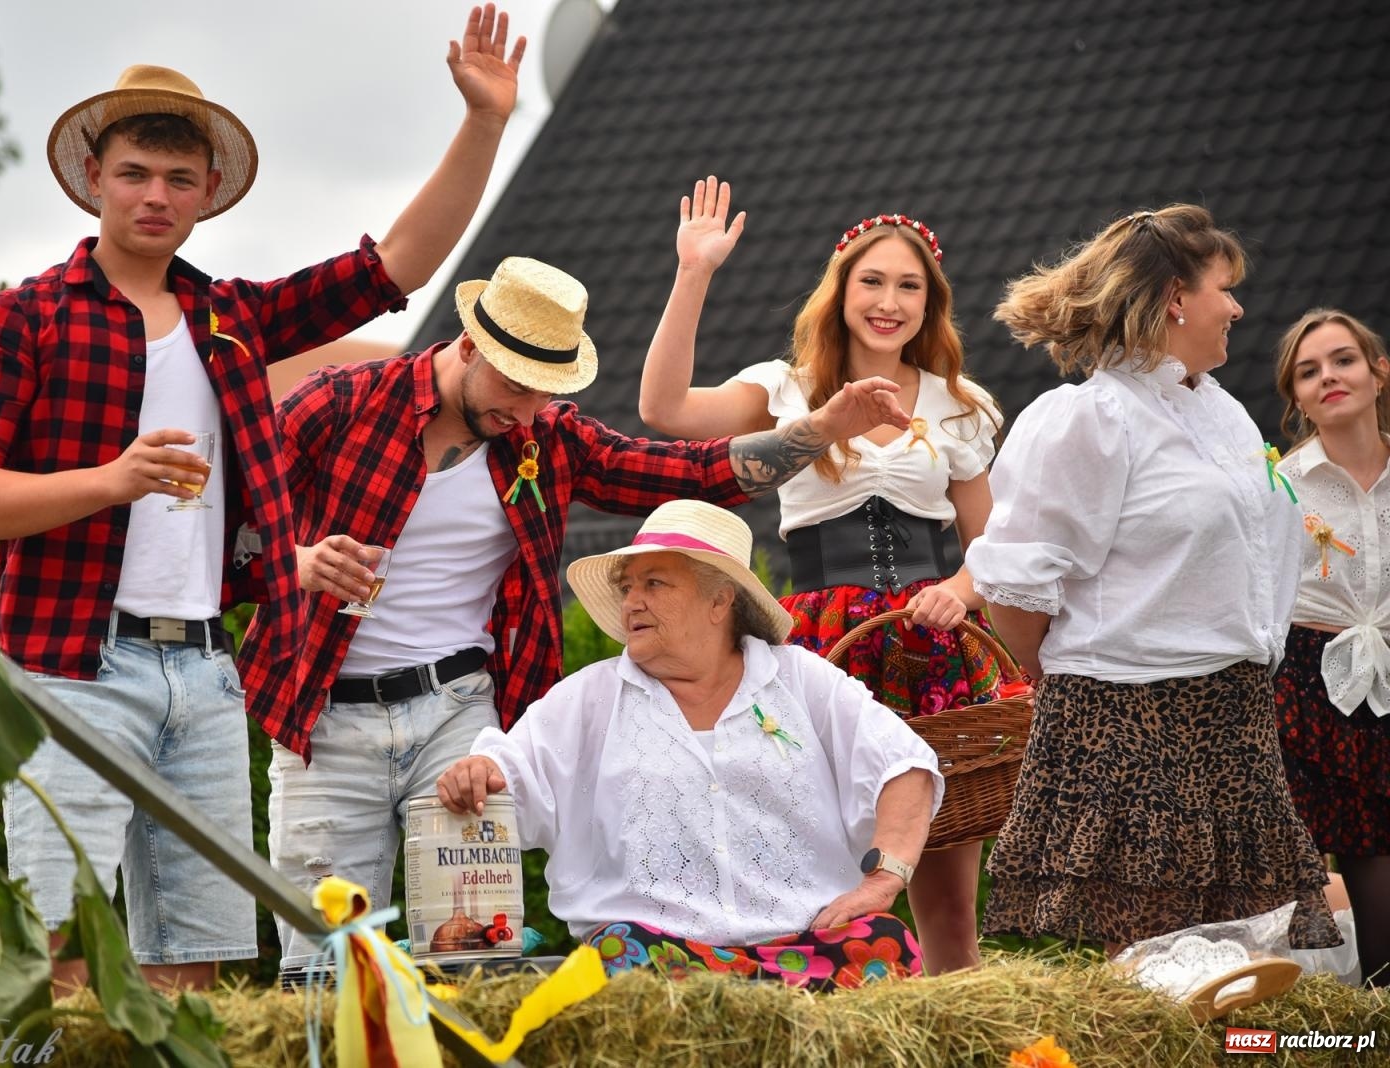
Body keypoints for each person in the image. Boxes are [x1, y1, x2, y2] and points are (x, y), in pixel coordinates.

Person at [0, 5, 528, 993]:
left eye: (177, 180)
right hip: (74, 660)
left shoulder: (232, 318)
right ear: (92, 181)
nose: (155, 196)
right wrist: (113, 480)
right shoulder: (21, 319)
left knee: (192, 958)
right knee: (59, 940)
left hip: (205, 674)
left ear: (205, 196)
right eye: (134, 175)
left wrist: (486, 122)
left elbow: (395, 268)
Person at [242, 256, 912, 979]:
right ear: (468, 347)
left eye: (545, 393)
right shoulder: (338, 402)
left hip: (459, 716)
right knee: (320, 961)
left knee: (473, 950)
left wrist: (823, 426)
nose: (525, 412)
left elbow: (695, 472)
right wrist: (298, 562)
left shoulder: (548, 441)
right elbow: (225, 523)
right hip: (327, 714)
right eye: (515, 386)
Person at [636, 176, 1005, 974]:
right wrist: (693, 272)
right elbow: (663, 409)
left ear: (929, 303)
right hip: (820, 645)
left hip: (928, 638)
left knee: (946, 904)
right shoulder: (784, 387)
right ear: (840, 291)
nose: (889, 301)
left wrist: (960, 592)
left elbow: (995, 543)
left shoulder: (960, 405)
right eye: (872, 280)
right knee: (817, 882)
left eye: (909, 286)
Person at [965, 205, 1340, 953]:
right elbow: (1013, 585)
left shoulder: (1223, 413)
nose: (1236, 307)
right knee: (1158, 967)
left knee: (1250, 964)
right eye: (1223, 288)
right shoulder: (1091, 417)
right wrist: (1072, 680)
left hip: (1232, 719)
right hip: (1129, 724)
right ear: (1175, 297)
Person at [436, 500, 942, 988]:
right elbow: (508, 770)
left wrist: (883, 881)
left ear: (720, 600)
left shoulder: (801, 679)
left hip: (805, 950)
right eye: (628, 586)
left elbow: (904, 765)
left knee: (885, 942)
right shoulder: (587, 699)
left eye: (654, 583)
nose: (632, 601)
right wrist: (479, 769)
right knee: (614, 951)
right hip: (660, 958)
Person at [1273, 308, 1390, 987]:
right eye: (1308, 371)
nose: (1329, 378)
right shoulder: (1282, 486)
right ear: (1296, 397)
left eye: (1343, 360)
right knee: (1307, 871)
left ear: (1378, 371)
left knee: (1381, 872)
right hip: (1305, 691)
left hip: (1386, 684)